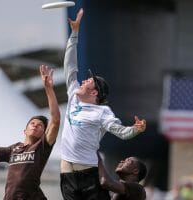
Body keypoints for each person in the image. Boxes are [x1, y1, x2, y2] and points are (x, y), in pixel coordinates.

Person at [60, 8, 147, 200]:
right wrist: (74, 34)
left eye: (89, 81)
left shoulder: (102, 112)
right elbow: (70, 66)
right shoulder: (73, 96)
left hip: (87, 172)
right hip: (66, 173)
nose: (83, 81)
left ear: (95, 92)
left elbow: (121, 133)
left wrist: (135, 129)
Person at [0, 65, 60, 200]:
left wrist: (48, 88)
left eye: (40, 126)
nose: (35, 126)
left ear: (43, 134)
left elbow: (55, 120)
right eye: (32, 124)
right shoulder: (13, 149)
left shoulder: (42, 146)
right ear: (25, 130)